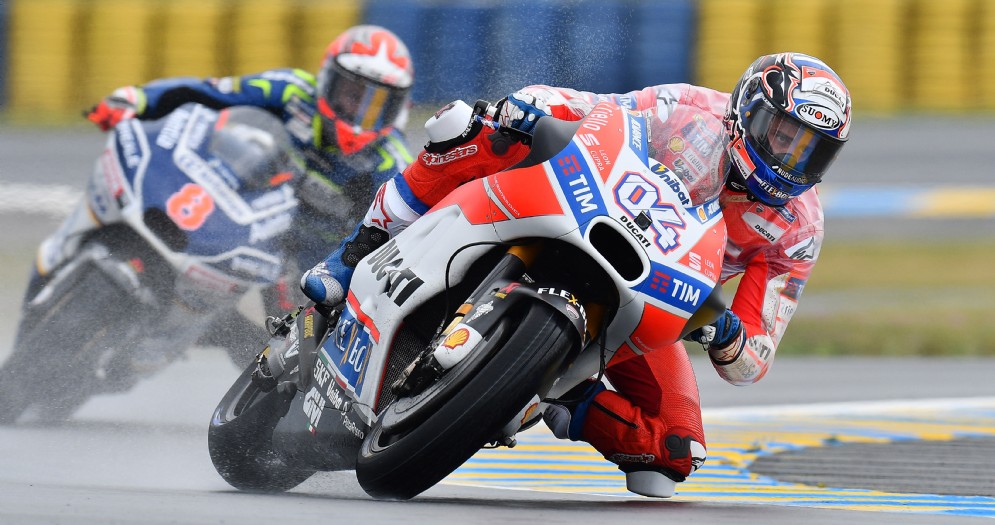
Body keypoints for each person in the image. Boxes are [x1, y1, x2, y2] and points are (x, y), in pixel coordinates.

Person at [300, 52, 852, 497]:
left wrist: (726, 333)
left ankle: (560, 390)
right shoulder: (689, 109)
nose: (791, 161)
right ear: (747, 113)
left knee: (674, 451)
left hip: (652, 291)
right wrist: (530, 109)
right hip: (582, 208)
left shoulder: (797, 229)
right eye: (783, 135)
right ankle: (356, 253)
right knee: (475, 127)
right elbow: (596, 111)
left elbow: (756, 358)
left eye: (813, 152)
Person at [83, 24, 417, 359]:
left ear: (397, 109)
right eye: (352, 92)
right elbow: (209, 92)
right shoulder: (290, 90)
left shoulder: (392, 163)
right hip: (242, 216)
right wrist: (137, 99)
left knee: (289, 346)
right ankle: (161, 299)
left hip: (309, 260)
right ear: (328, 79)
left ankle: (261, 384)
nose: (359, 111)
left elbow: (404, 237)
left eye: (376, 104)